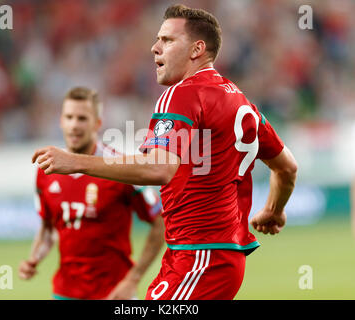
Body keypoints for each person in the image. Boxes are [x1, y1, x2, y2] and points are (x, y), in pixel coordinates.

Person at [32, 4, 298, 300]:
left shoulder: (182, 94)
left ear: (197, 49)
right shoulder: (240, 102)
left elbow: (157, 169)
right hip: (208, 257)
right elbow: (287, 168)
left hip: (200, 255)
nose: (154, 48)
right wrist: (273, 210)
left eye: (168, 40)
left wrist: (76, 161)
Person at [19, 87, 165, 300]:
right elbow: (49, 227)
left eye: (82, 118)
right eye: (69, 117)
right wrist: (34, 258)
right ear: (61, 121)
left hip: (113, 294)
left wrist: (132, 280)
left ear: (97, 123)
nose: (74, 125)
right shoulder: (46, 170)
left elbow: (160, 223)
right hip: (64, 293)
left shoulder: (119, 168)